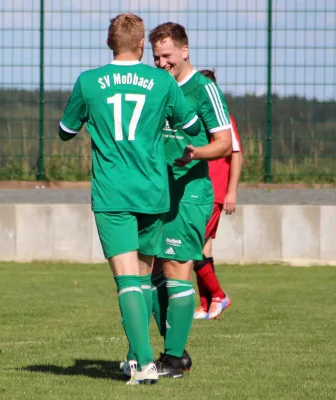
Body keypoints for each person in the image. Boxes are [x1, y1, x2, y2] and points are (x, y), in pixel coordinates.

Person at [59, 13, 201, 385]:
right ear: (142, 45)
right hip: (153, 193)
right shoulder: (161, 81)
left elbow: (65, 130)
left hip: (113, 193)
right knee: (140, 279)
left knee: (127, 282)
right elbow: (191, 126)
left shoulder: (89, 81)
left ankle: (143, 363)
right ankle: (140, 360)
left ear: (109, 43)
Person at [147, 22, 232, 378]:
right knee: (148, 275)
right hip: (156, 192)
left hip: (191, 195)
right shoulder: (157, 87)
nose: (161, 62)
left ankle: (173, 358)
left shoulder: (203, 88)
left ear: (184, 50)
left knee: (176, 269)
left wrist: (194, 153)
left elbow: (225, 142)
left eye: (167, 55)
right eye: (155, 57)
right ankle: (174, 349)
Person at [193, 69, 243, 320]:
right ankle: (206, 304)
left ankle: (219, 295)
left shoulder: (223, 119)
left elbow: (236, 153)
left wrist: (231, 191)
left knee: (191, 246)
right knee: (203, 247)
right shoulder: (197, 118)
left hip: (213, 192)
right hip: (198, 190)